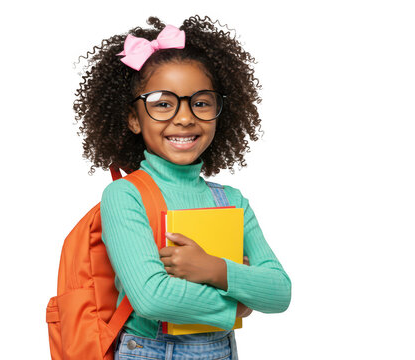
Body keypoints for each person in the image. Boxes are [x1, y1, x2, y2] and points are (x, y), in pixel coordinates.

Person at [73, 15, 291, 360]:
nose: (185, 117)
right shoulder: (125, 195)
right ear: (133, 118)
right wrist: (238, 304)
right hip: (148, 351)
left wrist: (213, 269)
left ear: (219, 113)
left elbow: (279, 292)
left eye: (200, 102)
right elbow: (150, 298)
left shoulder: (232, 201)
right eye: (162, 103)